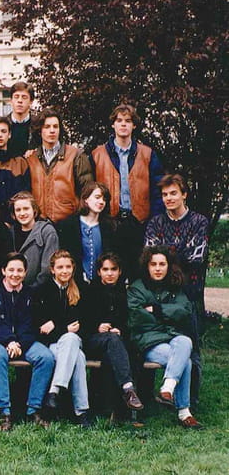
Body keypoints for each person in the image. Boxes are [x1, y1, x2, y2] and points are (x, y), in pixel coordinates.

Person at [144, 174, 209, 404]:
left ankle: (191, 399)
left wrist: (165, 255)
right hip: (160, 294)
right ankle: (150, 396)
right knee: (156, 341)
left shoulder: (199, 221)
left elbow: (196, 257)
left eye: (173, 193)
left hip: (189, 294)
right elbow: (150, 256)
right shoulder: (156, 222)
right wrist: (176, 253)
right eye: (164, 194)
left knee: (192, 346)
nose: (169, 198)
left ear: (184, 194)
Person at [127, 246, 202, 429]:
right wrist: (168, 320)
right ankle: (184, 412)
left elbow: (185, 311)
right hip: (148, 342)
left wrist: (157, 310)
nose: (158, 268)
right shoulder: (137, 288)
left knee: (185, 341)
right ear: (147, 266)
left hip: (173, 339)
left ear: (169, 266)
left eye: (162, 264)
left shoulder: (175, 286)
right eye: (153, 264)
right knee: (185, 361)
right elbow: (137, 318)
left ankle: (168, 386)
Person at [91, 103, 165, 278]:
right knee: (111, 272)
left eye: (128, 121)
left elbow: (157, 191)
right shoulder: (97, 154)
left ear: (134, 125)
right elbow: (89, 192)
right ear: (113, 124)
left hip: (139, 223)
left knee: (138, 273)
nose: (123, 124)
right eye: (119, 120)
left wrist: (154, 221)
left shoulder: (148, 154)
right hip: (109, 222)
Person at [0, 253, 55, 431]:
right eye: (11, 270)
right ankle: (4, 412)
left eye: (19, 270)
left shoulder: (30, 294)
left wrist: (20, 344)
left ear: (25, 273)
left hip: (24, 342)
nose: (15, 274)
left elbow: (30, 324)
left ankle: (34, 409)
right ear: (3, 271)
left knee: (46, 357)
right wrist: (9, 341)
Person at [34, 250, 92, 427]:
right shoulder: (42, 290)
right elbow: (41, 328)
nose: (64, 271)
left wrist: (56, 324)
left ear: (73, 268)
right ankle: (82, 412)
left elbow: (83, 323)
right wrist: (64, 327)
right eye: (60, 267)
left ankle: (54, 391)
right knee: (78, 358)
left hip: (76, 341)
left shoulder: (82, 289)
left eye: (68, 267)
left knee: (71, 338)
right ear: (52, 269)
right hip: (51, 345)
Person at [83, 252, 144, 414]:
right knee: (113, 341)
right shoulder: (90, 291)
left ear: (120, 271)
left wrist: (120, 329)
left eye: (113, 269)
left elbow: (130, 321)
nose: (109, 273)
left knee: (120, 349)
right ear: (99, 272)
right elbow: (82, 321)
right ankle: (128, 389)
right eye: (105, 269)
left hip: (116, 342)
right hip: (93, 341)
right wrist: (97, 327)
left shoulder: (125, 293)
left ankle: (114, 408)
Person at [26, 108, 93, 223]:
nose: (52, 131)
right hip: (38, 223)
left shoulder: (76, 155)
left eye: (55, 126)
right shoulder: (31, 158)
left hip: (68, 222)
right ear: (39, 131)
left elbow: (87, 192)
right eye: (47, 127)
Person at [57, 181, 119, 286]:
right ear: (86, 199)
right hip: (75, 283)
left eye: (104, 199)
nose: (101, 202)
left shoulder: (110, 226)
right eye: (97, 197)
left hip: (102, 284)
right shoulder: (69, 225)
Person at [8, 191, 58, 289]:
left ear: (34, 210)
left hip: (38, 290)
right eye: (18, 210)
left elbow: (47, 269)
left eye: (26, 209)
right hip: (13, 289)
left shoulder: (47, 232)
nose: (22, 213)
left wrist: (32, 289)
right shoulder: (10, 233)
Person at [6, 81, 35, 158]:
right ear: (11, 101)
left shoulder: (38, 125)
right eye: (16, 97)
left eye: (24, 97)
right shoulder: (2, 125)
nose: (20, 101)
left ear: (31, 102)